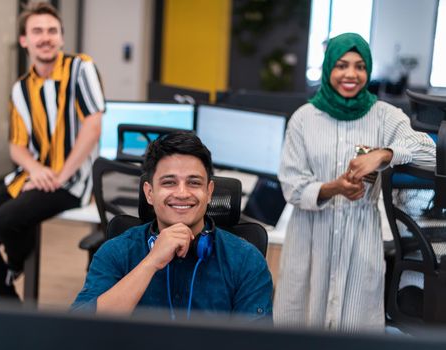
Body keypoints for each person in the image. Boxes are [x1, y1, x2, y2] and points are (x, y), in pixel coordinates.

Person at [273, 33, 436, 332]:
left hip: (360, 238)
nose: (351, 74)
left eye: (360, 66)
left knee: (354, 332)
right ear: (328, 68)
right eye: (341, 65)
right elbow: (292, 186)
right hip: (311, 235)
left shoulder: (385, 116)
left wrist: (385, 154)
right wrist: (333, 188)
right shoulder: (304, 119)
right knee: (300, 328)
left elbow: (432, 154)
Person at [0, 2, 105, 305]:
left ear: (62, 38)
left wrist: (59, 177)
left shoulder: (82, 68)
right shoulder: (21, 88)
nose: (46, 37)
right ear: (24, 40)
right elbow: (17, 145)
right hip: (35, 173)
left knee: (5, 220)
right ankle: (13, 312)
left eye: (52, 31)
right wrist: (37, 170)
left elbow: (92, 127)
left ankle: (14, 265)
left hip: (73, 179)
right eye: (37, 31)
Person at [72, 132, 273, 320]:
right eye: (169, 183)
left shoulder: (246, 261)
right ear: (149, 193)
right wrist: (151, 262)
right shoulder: (117, 251)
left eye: (194, 183)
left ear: (209, 191)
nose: (182, 193)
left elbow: (256, 343)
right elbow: (79, 330)